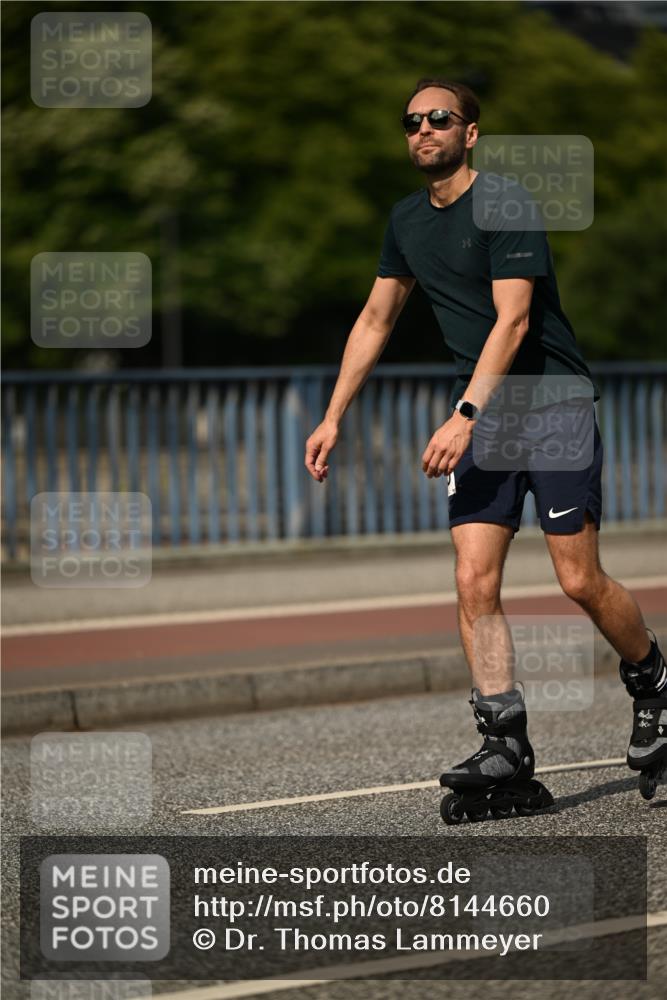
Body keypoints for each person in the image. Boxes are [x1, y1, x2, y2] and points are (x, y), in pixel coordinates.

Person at [304, 77, 666, 818]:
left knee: (576, 579)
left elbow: (512, 320)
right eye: (411, 122)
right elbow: (374, 321)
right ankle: (503, 741)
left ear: (469, 132)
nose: (423, 130)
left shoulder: (503, 204)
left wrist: (464, 412)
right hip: (486, 419)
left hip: (550, 406)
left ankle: (655, 683)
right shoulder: (406, 220)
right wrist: (333, 414)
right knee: (474, 582)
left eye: (439, 119)